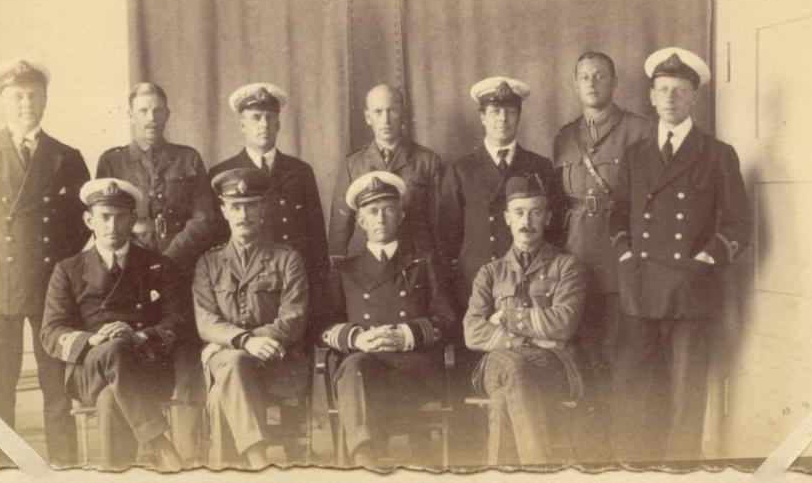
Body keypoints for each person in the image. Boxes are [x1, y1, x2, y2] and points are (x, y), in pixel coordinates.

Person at [609, 47, 751, 461]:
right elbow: (617, 215)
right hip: (641, 289)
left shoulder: (718, 154)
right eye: (663, 90)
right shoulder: (635, 155)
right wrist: (625, 257)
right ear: (652, 97)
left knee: (685, 399)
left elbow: (739, 225)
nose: (670, 98)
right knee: (636, 395)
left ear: (694, 99)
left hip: (691, 291)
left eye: (680, 91)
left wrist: (706, 260)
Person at [0, 59, 89, 466]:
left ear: (45, 100)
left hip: (50, 286)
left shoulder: (67, 156)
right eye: (17, 96)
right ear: (3, 103)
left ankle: (64, 464)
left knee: (56, 385)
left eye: (33, 95)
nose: (26, 103)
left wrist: (57, 269)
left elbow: (80, 224)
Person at [95, 82, 215, 464]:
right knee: (133, 346)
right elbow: (107, 220)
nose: (151, 118)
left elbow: (206, 218)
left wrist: (170, 256)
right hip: (132, 274)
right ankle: (142, 451)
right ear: (130, 114)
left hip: (179, 271)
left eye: (158, 110)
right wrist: (143, 256)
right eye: (143, 111)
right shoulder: (112, 161)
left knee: (185, 350)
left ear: (168, 114)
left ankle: (189, 454)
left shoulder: (189, 158)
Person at [40, 178, 188, 470]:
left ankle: (115, 472)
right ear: (89, 220)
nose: (112, 225)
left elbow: (179, 320)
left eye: (120, 217)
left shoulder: (158, 265)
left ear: (132, 219)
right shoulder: (68, 270)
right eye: (104, 217)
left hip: (147, 367)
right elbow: (51, 330)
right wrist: (94, 341)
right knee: (114, 348)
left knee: (110, 398)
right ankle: (160, 444)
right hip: (89, 369)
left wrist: (140, 336)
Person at [551, 51, 650, 458]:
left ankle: (624, 455)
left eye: (600, 76)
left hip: (619, 259)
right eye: (584, 77)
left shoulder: (639, 130)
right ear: (575, 84)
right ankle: (588, 454)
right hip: (576, 259)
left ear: (614, 82)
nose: (592, 83)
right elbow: (558, 206)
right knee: (581, 359)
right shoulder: (563, 137)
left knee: (623, 362)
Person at [320, 171, 454, 467]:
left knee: (360, 371)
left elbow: (446, 319)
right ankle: (366, 459)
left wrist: (406, 334)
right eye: (372, 211)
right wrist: (357, 338)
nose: (380, 218)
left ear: (401, 216)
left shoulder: (424, 263)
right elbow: (323, 326)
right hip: (368, 372)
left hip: (414, 372)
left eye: (388, 209)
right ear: (360, 221)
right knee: (353, 364)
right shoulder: (345, 270)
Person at [463, 174, 586, 466]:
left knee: (504, 399)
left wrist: (504, 317)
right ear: (507, 218)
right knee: (513, 364)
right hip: (496, 364)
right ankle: (539, 468)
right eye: (519, 212)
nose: (526, 220)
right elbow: (471, 331)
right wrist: (528, 337)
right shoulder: (489, 273)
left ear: (548, 217)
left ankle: (501, 471)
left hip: (552, 364)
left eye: (535, 211)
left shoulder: (567, 267)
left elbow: (564, 323)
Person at [193, 168, 310, 469]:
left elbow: (293, 318)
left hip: (276, 360)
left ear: (262, 208)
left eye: (250, 205)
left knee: (221, 396)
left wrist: (258, 342)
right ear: (223, 210)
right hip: (228, 355)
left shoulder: (287, 259)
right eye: (235, 206)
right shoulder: (208, 263)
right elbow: (206, 321)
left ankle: (232, 470)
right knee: (233, 362)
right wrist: (246, 341)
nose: (242, 214)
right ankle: (258, 460)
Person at [208, 83, 327, 338]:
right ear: (242, 124)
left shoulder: (300, 171)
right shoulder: (223, 174)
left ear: (279, 124)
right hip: (245, 290)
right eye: (256, 118)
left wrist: (317, 295)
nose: (263, 125)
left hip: (292, 286)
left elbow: (317, 241)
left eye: (269, 118)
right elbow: (218, 242)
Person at [438, 76, 559, 314]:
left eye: (510, 111)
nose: (503, 119)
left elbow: (553, 229)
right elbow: (446, 237)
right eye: (495, 111)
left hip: (528, 283)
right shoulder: (461, 169)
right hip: (476, 283)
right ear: (482, 117)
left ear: (519, 116)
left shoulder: (539, 166)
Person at [328, 83, 443, 259]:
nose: (385, 120)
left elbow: (438, 222)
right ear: (367, 117)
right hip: (366, 263)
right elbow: (339, 230)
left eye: (392, 111)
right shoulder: (352, 164)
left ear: (403, 114)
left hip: (415, 262)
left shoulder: (427, 161)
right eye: (378, 112)